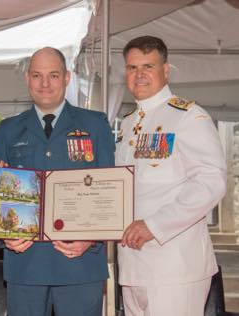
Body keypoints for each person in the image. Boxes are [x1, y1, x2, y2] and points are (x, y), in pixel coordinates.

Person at [0, 47, 115, 316]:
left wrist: (92, 239)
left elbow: (109, 190)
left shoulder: (95, 125)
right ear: (27, 78)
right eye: (37, 75)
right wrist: (5, 237)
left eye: (53, 75)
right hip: (25, 263)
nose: (45, 84)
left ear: (67, 77)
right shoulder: (8, 130)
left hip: (80, 263)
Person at [116, 35, 227, 316]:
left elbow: (211, 182)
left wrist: (154, 225)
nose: (139, 75)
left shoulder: (189, 117)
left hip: (175, 266)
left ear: (165, 71)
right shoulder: (129, 124)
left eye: (148, 67)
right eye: (132, 68)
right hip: (132, 265)